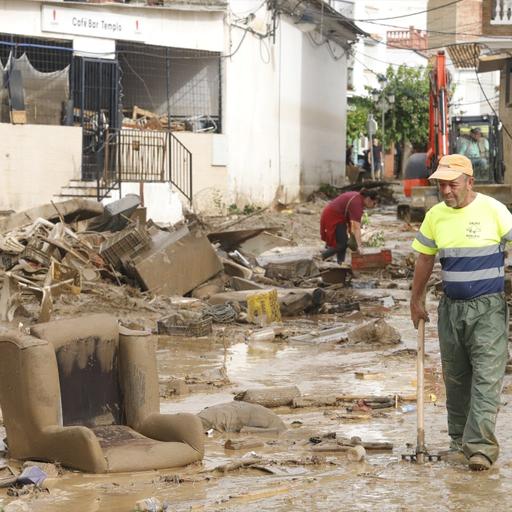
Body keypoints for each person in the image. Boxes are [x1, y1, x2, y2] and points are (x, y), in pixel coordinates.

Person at [410, 154, 512, 471]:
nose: (446, 191)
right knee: (456, 378)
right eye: (441, 184)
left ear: (470, 182)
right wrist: (416, 299)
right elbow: (425, 259)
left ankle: (480, 447)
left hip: (488, 308)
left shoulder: (495, 211)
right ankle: (459, 441)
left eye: (452, 184)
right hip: (451, 309)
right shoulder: (436, 216)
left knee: (486, 377)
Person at [320, 188, 379, 264]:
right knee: (342, 244)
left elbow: (353, 225)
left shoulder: (358, 198)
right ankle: (322, 256)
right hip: (333, 216)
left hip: (338, 216)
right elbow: (356, 227)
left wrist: (355, 240)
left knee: (343, 241)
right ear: (368, 199)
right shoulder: (357, 203)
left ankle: (341, 263)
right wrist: (360, 246)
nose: (374, 206)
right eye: (374, 203)